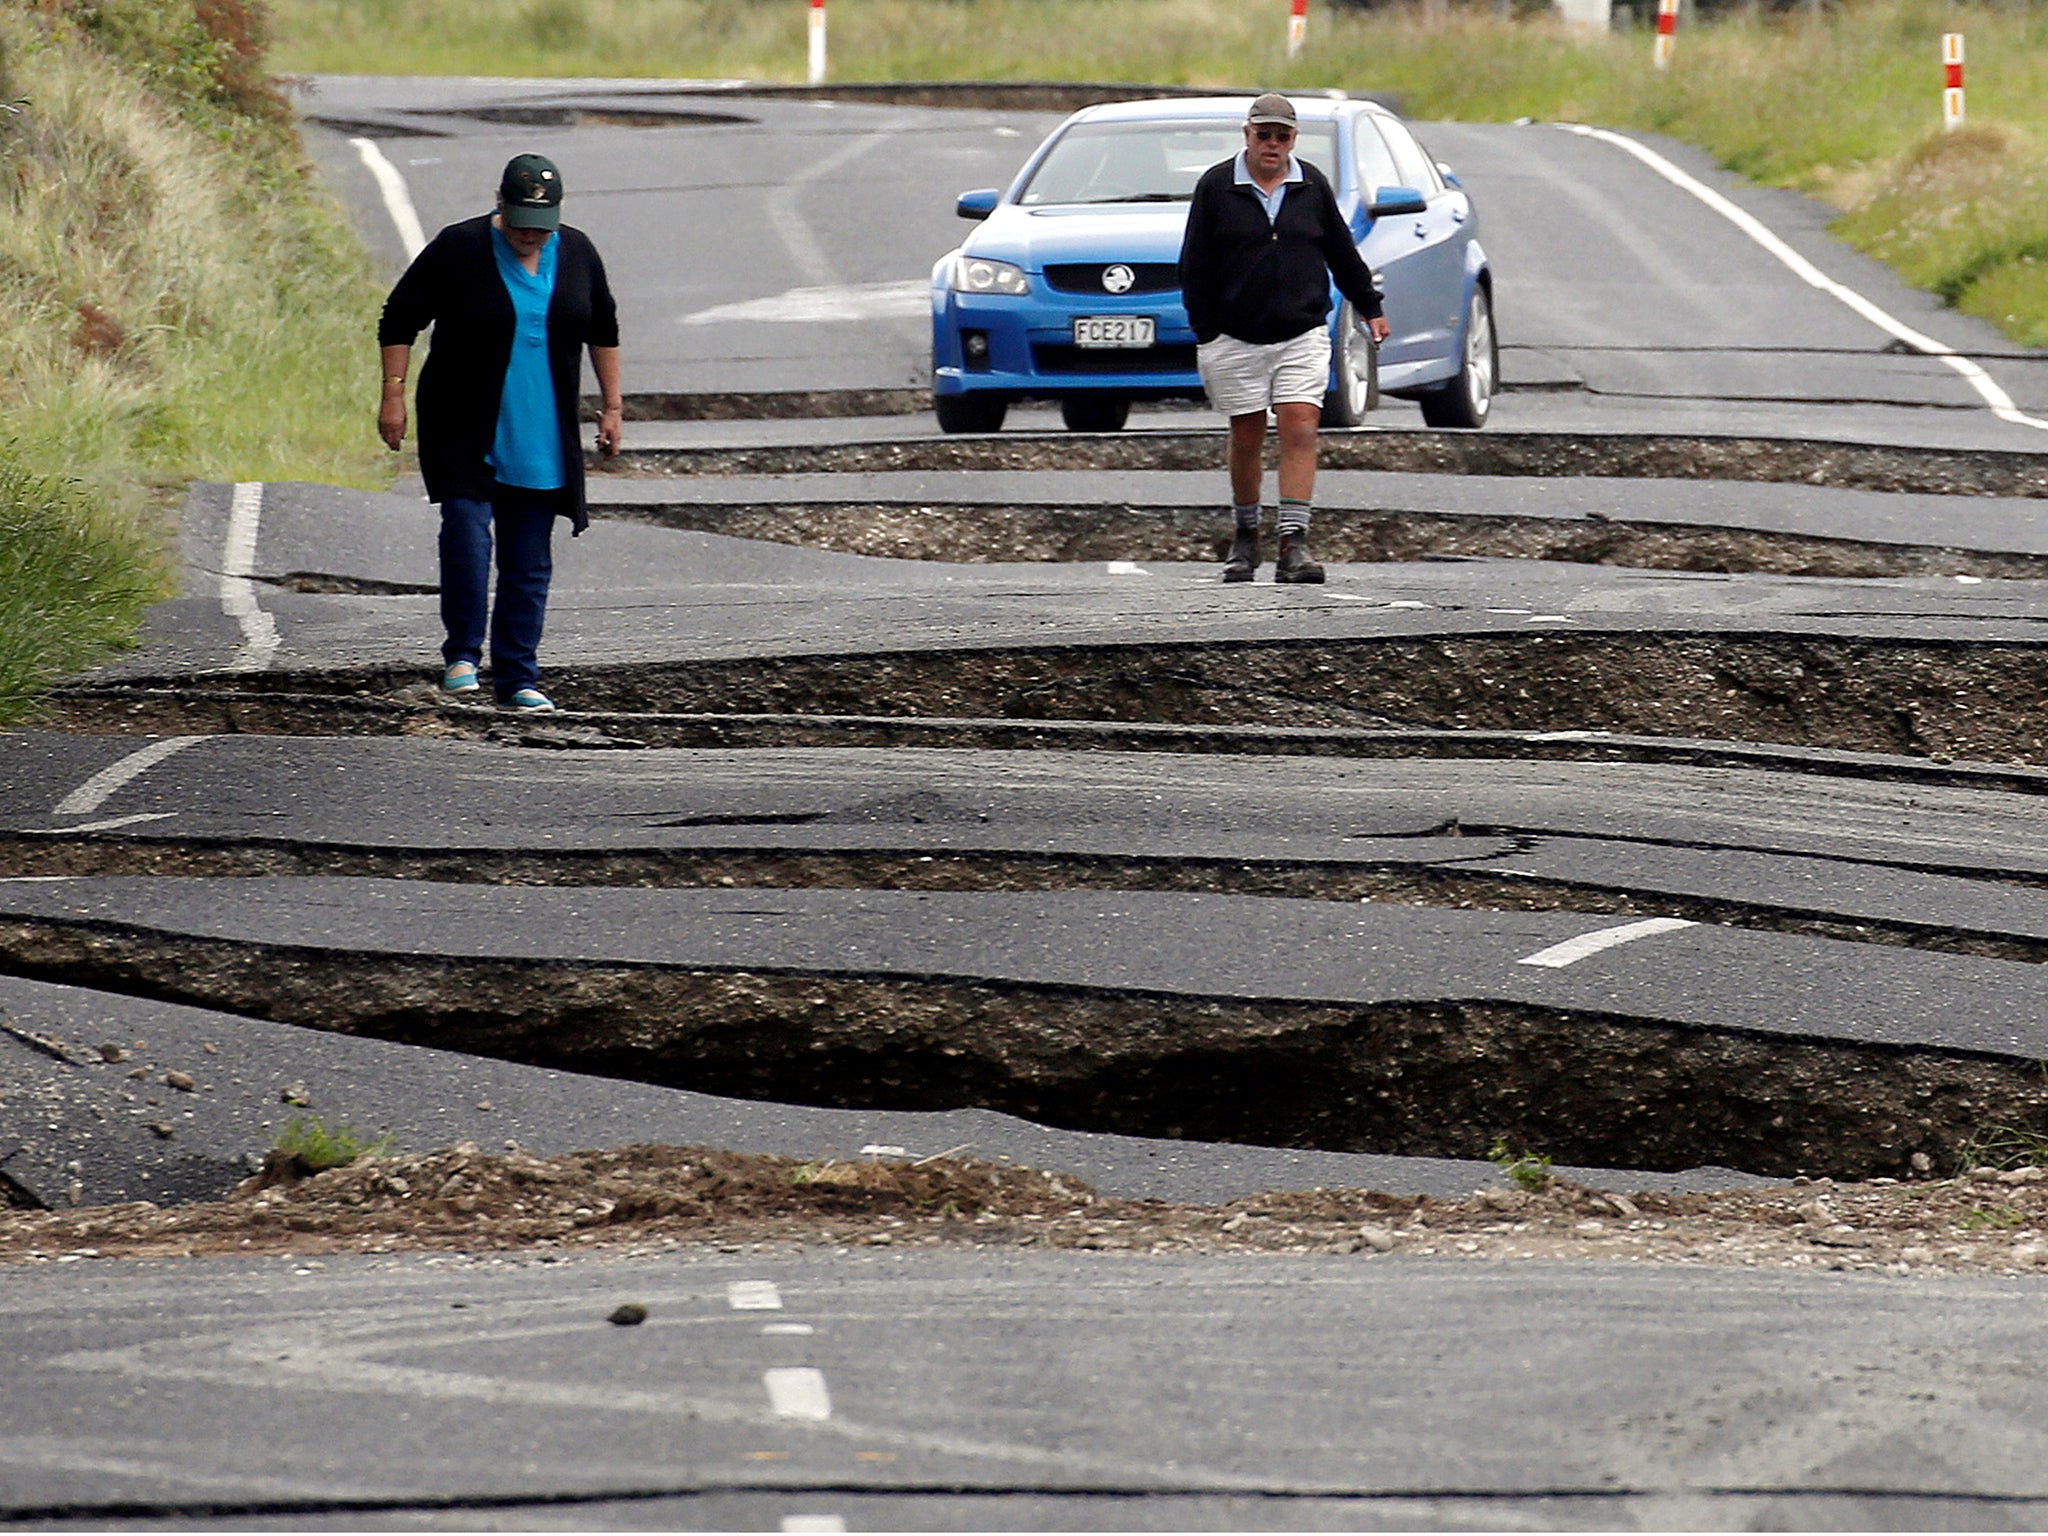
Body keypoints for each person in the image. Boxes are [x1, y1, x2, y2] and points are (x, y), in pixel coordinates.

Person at [378, 152, 623, 710]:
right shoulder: (458, 247)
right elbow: (399, 317)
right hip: (463, 421)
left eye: (541, 226)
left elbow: (604, 329)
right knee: (466, 530)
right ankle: (463, 654)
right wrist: (392, 395)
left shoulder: (579, 252)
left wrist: (612, 408)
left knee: (529, 557)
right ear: (499, 204)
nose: (530, 235)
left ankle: (518, 677)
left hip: (541, 427)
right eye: (519, 223)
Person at [1178, 94, 1391, 585]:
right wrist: (1206, 329)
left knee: (1300, 425)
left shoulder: (1311, 184)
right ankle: (1245, 537)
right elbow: (1194, 266)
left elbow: (1341, 251)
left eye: (1283, 136)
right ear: (1247, 135)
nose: (1272, 145)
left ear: (1294, 140)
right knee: (1248, 434)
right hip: (1233, 335)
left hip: (1301, 331)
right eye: (1263, 135)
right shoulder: (1216, 186)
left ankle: (1294, 543)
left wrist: (1370, 307)